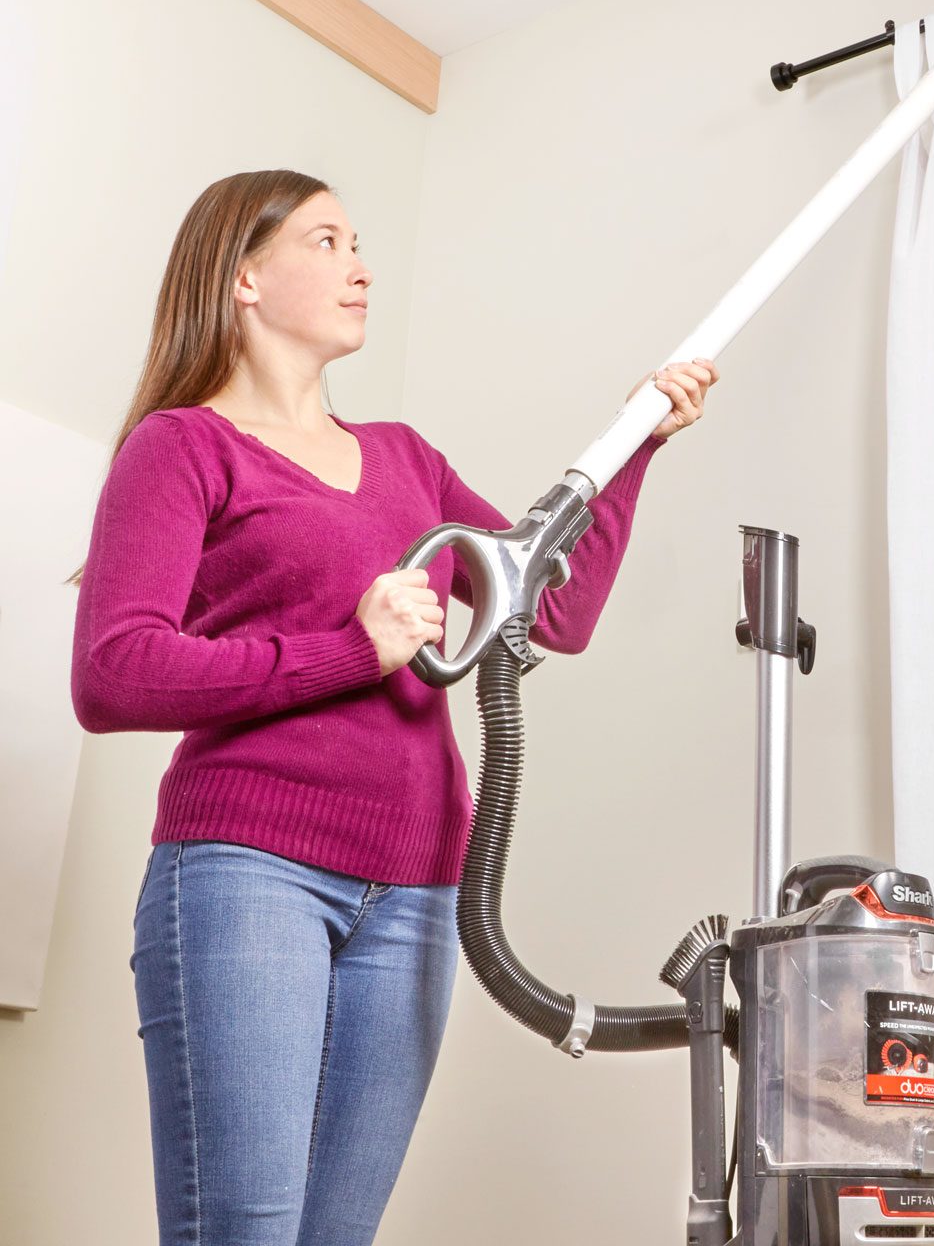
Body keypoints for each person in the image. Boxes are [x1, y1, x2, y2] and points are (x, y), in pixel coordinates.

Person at [67, 168, 718, 1246]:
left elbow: (551, 612)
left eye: (361, 241)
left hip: (415, 894)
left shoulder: (406, 459)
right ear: (243, 276)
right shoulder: (184, 447)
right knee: (248, 1231)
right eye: (328, 241)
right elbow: (115, 672)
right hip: (248, 871)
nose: (361, 264)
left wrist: (636, 439)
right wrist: (349, 649)